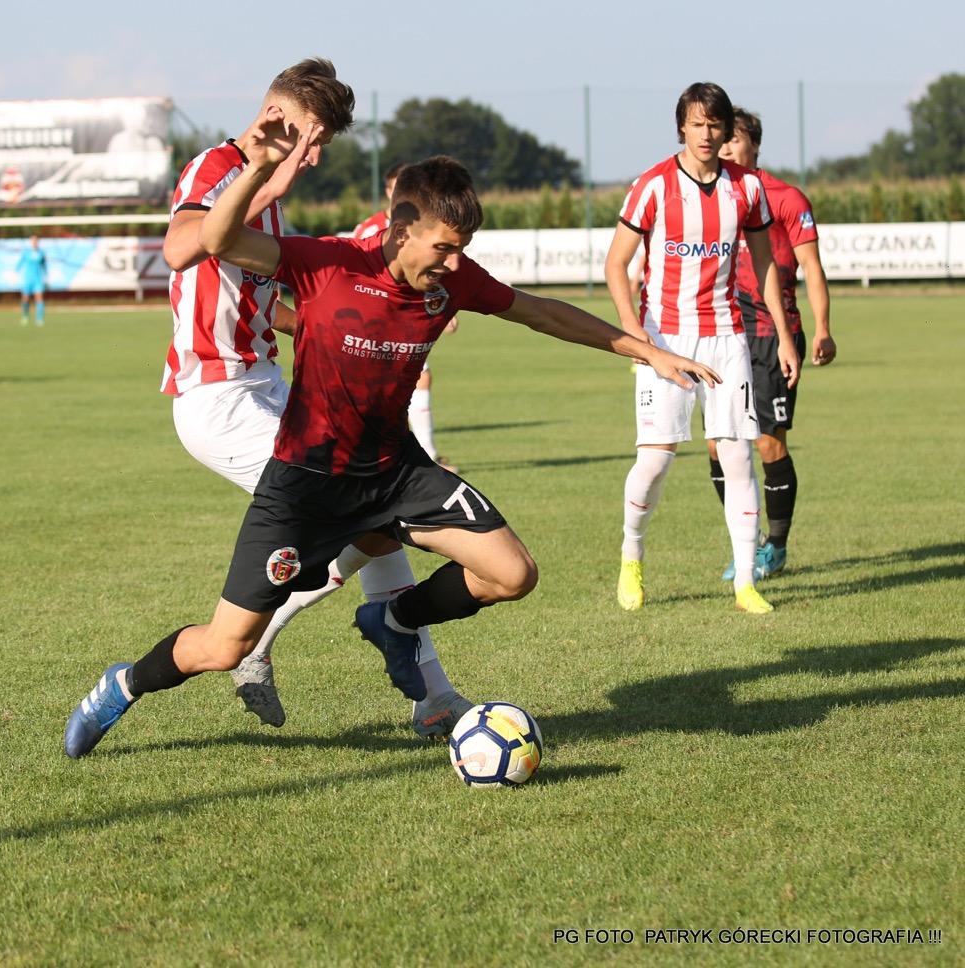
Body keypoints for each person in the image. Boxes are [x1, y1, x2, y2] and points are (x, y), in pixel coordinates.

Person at [63, 128, 720, 759]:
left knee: (513, 574)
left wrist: (646, 351)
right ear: (402, 230)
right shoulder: (327, 263)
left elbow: (540, 311)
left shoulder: (453, 279)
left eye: (463, 248)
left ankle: (396, 620)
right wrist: (261, 168)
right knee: (225, 647)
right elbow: (216, 239)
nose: (455, 263)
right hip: (305, 484)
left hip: (396, 474)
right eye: (445, 248)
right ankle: (123, 685)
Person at [159, 59, 470, 739]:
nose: (317, 155)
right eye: (313, 138)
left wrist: (325, 325)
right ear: (277, 118)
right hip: (219, 398)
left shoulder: (268, 190)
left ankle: (433, 698)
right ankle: (412, 689)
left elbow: (256, 307)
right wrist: (264, 172)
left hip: (266, 386)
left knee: (378, 520)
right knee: (371, 510)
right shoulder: (218, 167)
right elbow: (181, 250)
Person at [604, 81, 801, 616]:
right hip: (665, 339)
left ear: (726, 129)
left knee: (737, 455)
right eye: (697, 124)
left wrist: (784, 336)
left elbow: (765, 266)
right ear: (682, 128)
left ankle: (745, 582)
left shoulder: (747, 188)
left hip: (727, 337)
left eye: (716, 124)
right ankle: (632, 555)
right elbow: (616, 263)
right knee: (655, 462)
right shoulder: (653, 186)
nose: (707, 134)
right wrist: (633, 332)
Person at [710, 106, 837, 581]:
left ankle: (775, 547)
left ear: (755, 145)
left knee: (768, 443)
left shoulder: (785, 197)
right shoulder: (713, 197)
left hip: (770, 336)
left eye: (733, 138)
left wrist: (822, 329)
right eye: (721, 137)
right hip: (722, 333)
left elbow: (813, 269)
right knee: (717, 446)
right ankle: (746, 541)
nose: (724, 146)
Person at [354, 163, 457, 471]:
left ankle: (426, 456)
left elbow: (434, 271)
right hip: (373, 321)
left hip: (407, 320)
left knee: (418, 379)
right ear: (389, 192)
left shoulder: (426, 227)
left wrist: (443, 306)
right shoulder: (369, 229)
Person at [18, 235, 47, 326]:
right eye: (33, 241)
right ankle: (25, 316)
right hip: (28, 279)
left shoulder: (41, 253)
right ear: (30, 242)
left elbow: (44, 266)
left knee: (39, 298)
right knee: (25, 299)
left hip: (38, 279)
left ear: (38, 242)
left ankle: (39, 319)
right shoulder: (26, 253)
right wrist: (15, 272)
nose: (34, 243)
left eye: (36, 241)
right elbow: (20, 263)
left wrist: (47, 276)